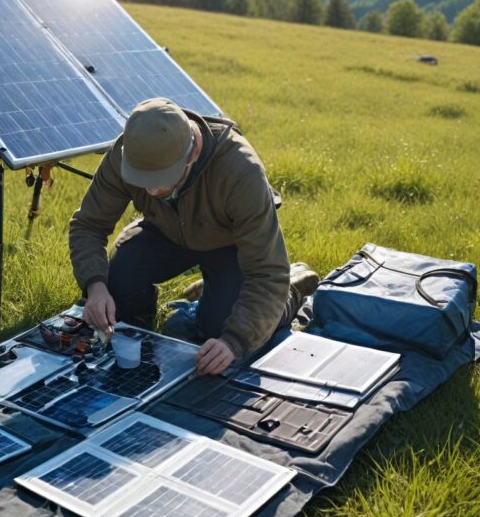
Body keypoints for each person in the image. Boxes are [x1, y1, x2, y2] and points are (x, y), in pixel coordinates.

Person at [69, 98, 318, 376]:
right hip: (165, 231)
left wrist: (234, 342)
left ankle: (292, 288)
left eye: (164, 179)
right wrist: (95, 287)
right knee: (115, 282)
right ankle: (142, 322)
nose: (152, 192)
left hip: (228, 242)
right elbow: (89, 225)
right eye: (144, 180)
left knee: (220, 328)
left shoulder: (240, 171)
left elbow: (267, 273)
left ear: (194, 150)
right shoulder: (129, 151)